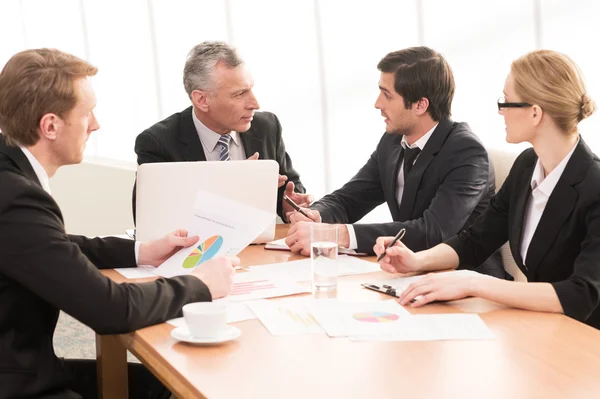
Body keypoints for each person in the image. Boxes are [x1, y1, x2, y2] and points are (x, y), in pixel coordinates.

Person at [0, 48, 238, 399]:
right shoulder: (16, 197)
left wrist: (143, 251)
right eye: (87, 113)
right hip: (16, 380)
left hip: (20, 361)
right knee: (171, 384)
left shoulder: (11, 175)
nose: (96, 124)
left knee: (160, 385)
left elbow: (52, 246)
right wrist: (200, 284)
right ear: (50, 125)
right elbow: (110, 309)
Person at [374, 49, 600, 329]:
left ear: (534, 113)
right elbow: (475, 240)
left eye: (506, 101)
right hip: (541, 328)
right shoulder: (527, 166)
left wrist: (474, 283)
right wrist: (416, 261)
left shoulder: (594, 186)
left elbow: (582, 294)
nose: (500, 110)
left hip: (584, 342)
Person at [285, 46, 504, 278]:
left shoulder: (466, 152)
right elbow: (349, 199)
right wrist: (316, 215)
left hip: (467, 283)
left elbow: (433, 232)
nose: (377, 104)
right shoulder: (392, 141)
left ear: (420, 105)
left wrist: (336, 235)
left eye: (387, 95)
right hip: (408, 276)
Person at [133, 41, 310, 221]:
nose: (255, 104)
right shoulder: (158, 142)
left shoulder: (267, 127)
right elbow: (150, 220)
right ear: (202, 100)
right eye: (239, 94)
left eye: (250, 89)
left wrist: (288, 204)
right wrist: (232, 187)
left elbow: (291, 186)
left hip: (257, 246)